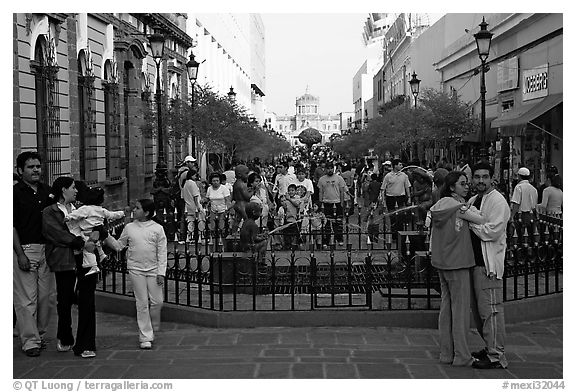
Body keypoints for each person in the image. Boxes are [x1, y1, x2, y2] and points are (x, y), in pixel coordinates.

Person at [429, 171, 486, 367]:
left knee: (446, 309)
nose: (467, 186)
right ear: (452, 187)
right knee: (460, 311)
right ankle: (462, 355)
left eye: (467, 183)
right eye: (462, 184)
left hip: (442, 262)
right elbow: (482, 220)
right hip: (459, 262)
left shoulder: (439, 206)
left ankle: (446, 353)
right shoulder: (459, 208)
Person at [42, 176, 97, 358]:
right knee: (64, 300)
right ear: (63, 190)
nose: (76, 191)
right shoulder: (50, 211)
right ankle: (64, 335)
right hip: (64, 260)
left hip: (84, 260)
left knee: (85, 301)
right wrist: (79, 242)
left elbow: (95, 223)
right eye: (73, 187)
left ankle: (85, 341)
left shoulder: (80, 209)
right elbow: (55, 233)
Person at [467, 161, 511, 369]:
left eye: (485, 177)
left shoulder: (498, 201)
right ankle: (489, 346)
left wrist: (471, 221)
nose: (481, 181)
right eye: (477, 177)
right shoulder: (475, 198)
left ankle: (496, 355)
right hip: (475, 263)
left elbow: (491, 231)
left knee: (491, 310)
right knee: (480, 311)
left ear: (492, 178)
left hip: (488, 265)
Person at [13, 152, 56, 357]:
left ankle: (39, 334)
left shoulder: (47, 192)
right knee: (26, 299)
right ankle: (30, 341)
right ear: (20, 170)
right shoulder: (14, 194)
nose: (36, 170)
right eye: (31, 167)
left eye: (38, 166)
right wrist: (19, 254)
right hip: (25, 249)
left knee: (46, 297)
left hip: (47, 250)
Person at [114, 199, 167, 350]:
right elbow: (120, 244)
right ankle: (145, 335)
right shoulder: (129, 227)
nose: (134, 210)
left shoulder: (157, 229)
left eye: (137, 208)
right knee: (142, 302)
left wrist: (161, 272)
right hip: (135, 269)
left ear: (147, 212)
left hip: (153, 269)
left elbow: (162, 252)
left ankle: (153, 322)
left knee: (157, 301)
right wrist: (106, 238)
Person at [65, 183, 125, 276]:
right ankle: (103, 256)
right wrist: (122, 213)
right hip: (99, 232)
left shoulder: (85, 209)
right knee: (97, 246)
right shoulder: (102, 210)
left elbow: (76, 215)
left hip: (86, 233)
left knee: (88, 250)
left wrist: (67, 218)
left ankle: (93, 266)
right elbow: (113, 215)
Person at [317, 161, 347, 247]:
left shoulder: (339, 178)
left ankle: (339, 239)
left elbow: (342, 191)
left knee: (338, 222)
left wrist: (341, 203)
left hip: (337, 203)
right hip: (326, 203)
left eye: (331, 168)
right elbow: (320, 192)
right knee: (326, 223)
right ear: (325, 169)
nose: (329, 170)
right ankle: (326, 240)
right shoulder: (322, 179)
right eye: (328, 168)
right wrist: (320, 203)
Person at [380, 159, 411, 238]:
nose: (401, 166)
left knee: (401, 216)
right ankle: (394, 235)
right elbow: (383, 189)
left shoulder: (404, 175)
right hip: (391, 198)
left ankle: (400, 234)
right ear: (395, 166)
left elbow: (407, 187)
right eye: (400, 165)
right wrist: (383, 201)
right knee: (392, 216)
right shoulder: (388, 176)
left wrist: (409, 197)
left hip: (401, 197)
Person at [509, 167, 538, 244]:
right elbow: (535, 206)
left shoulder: (518, 187)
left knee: (519, 238)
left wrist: (512, 216)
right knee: (530, 238)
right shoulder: (533, 189)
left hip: (520, 216)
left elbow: (516, 204)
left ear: (519, 176)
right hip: (531, 216)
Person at [181, 169, 205, 243]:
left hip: (187, 206)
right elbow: (195, 196)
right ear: (192, 176)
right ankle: (200, 237)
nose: (196, 177)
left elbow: (182, 196)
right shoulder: (192, 183)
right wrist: (198, 206)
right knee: (200, 221)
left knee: (190, 222)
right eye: (195, 175)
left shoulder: (185, 184)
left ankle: (190, 237)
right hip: (194, 205)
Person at [205, 172, 231, 240]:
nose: (215, 182)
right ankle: (212, 238)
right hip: (213, 209)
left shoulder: (224, 188)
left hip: (222, 210)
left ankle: (221, 238)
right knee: (212, 226)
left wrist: (227, 209)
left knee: (221, 226)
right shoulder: (209, 189)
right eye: (214, 181)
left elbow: (227, 200)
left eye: (217, 181)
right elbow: (207, 198)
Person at [231, 164, 252, 232]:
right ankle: (248, 233)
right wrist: (253, 191)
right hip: (243, 204)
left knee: (237, 220)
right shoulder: (242, 184)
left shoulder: (236, 183)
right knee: (247, 219)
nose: (247, 176)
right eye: (246, 173)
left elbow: (233, 196)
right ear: (240, 174)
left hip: (237, 203)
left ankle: (233, 233)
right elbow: (247, 196)